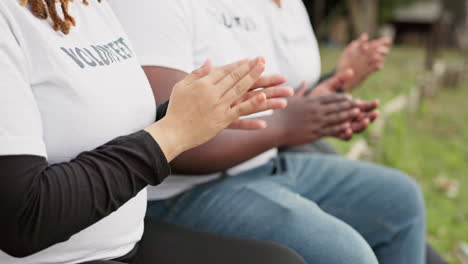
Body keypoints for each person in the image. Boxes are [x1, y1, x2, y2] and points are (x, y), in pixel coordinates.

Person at [112, 0, 427, 263]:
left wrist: (316, 108)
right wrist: (287, 125)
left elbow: (265, 97)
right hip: (182, 192)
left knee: (400, 199)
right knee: (345, 255)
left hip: (261, 163)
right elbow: (167, 137)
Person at [0, 1, 308, 264]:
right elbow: (22, 219)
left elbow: (103, 127)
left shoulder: (88, 6)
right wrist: (173, 132)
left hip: (127, 243)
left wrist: (194, 114)